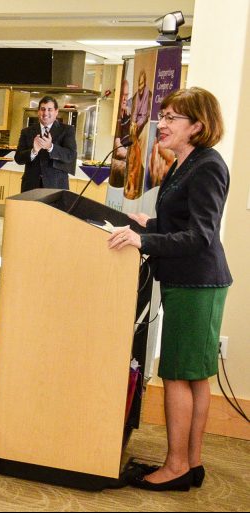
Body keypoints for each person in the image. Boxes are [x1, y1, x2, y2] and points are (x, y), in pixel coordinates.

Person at [109, 87, 231, 492]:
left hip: (197, 281)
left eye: (172, 117)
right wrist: (151, 225)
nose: (162, 123)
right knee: (194, 377)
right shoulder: (185, 163)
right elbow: (182, 224)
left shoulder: (207, 166)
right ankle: (191, 463)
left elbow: (200, 235)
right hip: (190, 280)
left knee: (179, 374)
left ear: (197, 126)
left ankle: (176, 466)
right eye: (163, 115)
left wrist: (144, 240)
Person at [14, 96, 77, 193]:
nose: (45, 113)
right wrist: (33, 151)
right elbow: (18, 159)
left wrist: (50, 147)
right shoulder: (26, 132)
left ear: (56, 112)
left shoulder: (67, 130)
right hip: (30, 186)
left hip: (56, 186)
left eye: (50, 109)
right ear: (38, 112)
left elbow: (70, 156)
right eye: (43, 109)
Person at [108, 78, 132, 188]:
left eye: (126, 96)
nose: (124, 99)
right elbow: (118, 149)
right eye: (122, 95)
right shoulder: (116, 118)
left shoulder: (128, 116)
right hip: (117, 173)